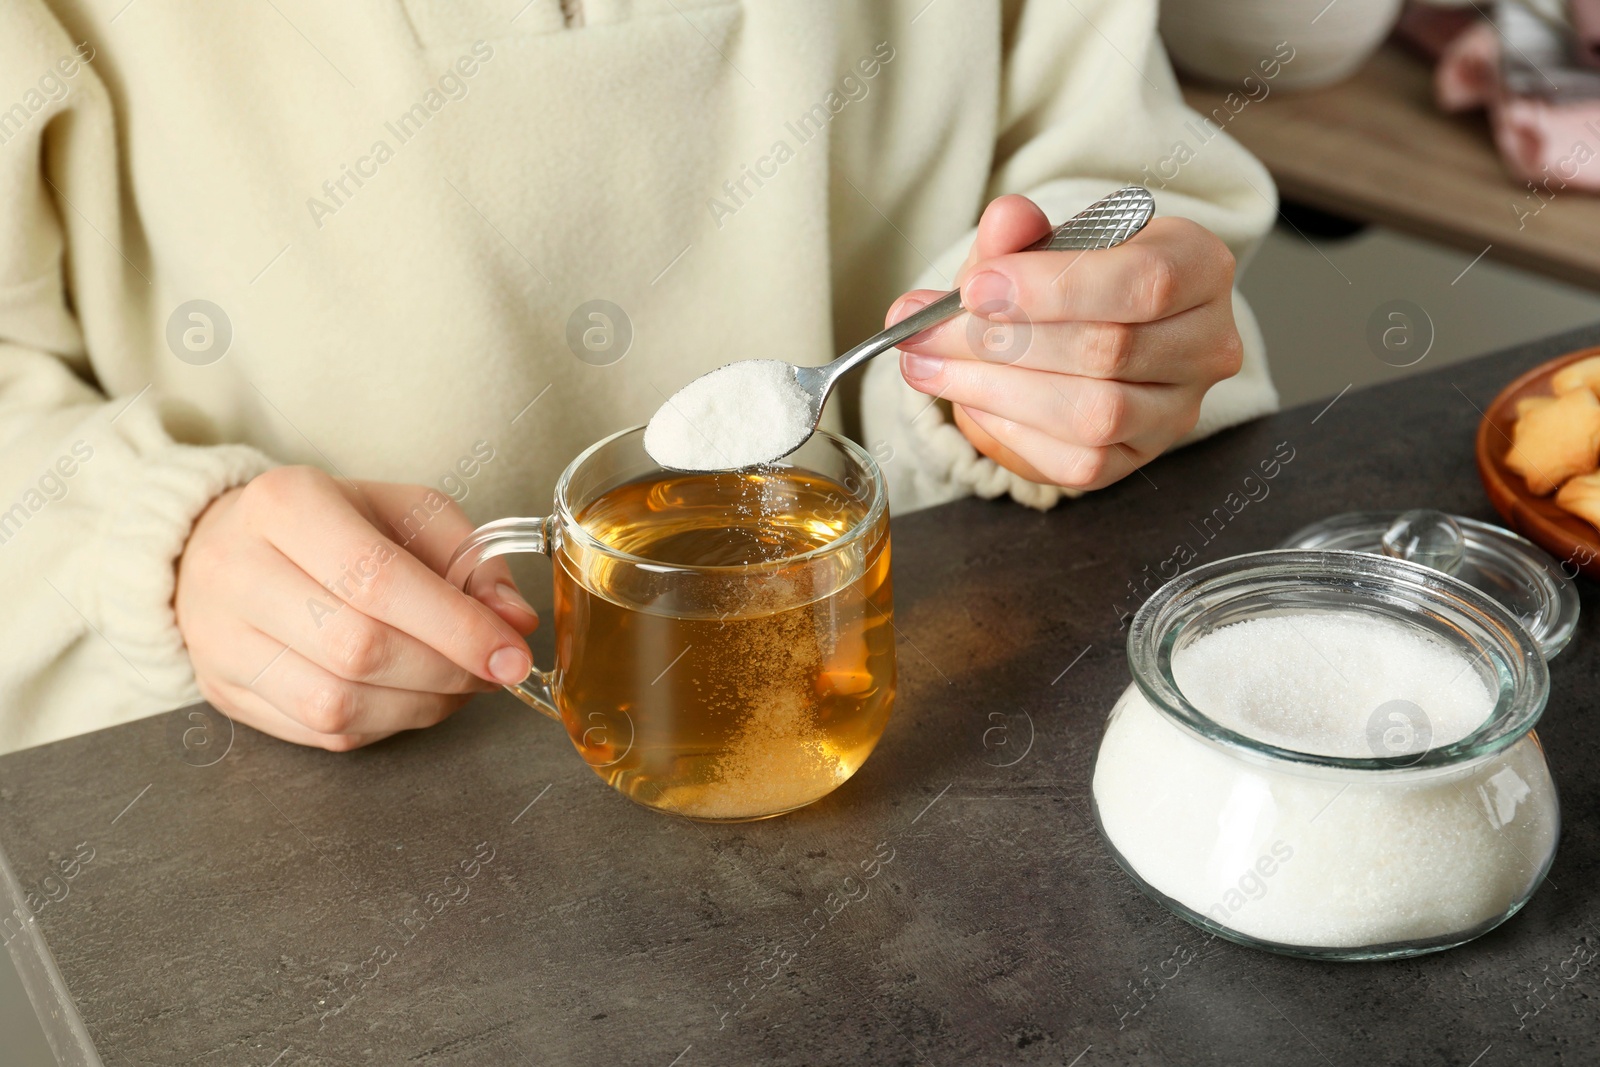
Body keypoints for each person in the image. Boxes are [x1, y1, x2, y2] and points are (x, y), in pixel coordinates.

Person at [0, 0, 1278, 754]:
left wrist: (1059, 342)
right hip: (284, 801)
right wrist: (158, 549)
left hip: (948, 720)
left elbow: (1108, 163)